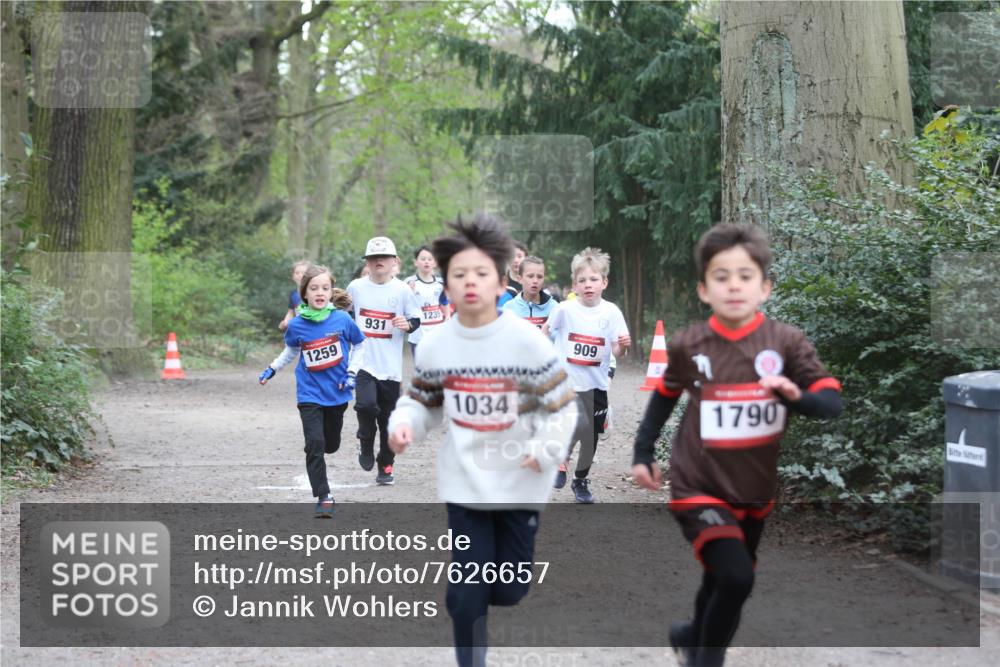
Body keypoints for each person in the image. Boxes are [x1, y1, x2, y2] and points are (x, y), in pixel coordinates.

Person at [631, 223, 843, 667]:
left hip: (753, 489)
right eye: (720, 276)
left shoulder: (785, 343)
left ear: (764, 287)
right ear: (704, 290)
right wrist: (643, 453)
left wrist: (794, 395)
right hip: (698, 482)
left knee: (723, 576)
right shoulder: (691, 344)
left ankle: (690, 634)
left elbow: (829, 403)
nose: (733, 286)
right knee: (737, 577)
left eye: (744, 276)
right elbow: (664, 398)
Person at [387, 214, 578, 667]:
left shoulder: (526, 344)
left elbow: (563, 406)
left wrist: (546, 447)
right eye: (459, 274)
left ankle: (489, 591)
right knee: (465, 596)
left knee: (510, 590)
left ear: (500, 281)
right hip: (466, 484)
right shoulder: (435, 347)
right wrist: (406, 422)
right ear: (446, 286)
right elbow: (424, 401)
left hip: (521, 484)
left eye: (481, 273)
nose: (470, 282)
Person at [258, 265, 366, 517]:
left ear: (330, 292)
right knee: (314, 444)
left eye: (325, 288)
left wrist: (351, 374)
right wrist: (272, 368)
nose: (320, 292)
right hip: (309, 393)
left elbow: (360, 345)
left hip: (337, 392)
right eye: (314, 288)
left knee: (331, 444)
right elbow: (291, 351)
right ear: (304, 293)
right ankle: (324, 496)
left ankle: (329, 449)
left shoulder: (342, 319)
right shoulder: (296, 325)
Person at [543, 247, 629, 503]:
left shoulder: (611, 312)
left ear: (604, 282)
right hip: (567, 382)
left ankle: (581, 480)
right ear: (574, 285)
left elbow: (616, 351)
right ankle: (561, 461)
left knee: (590, 436)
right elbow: (546, 331)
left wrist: (623, 346)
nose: (588, 285)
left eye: (593, 279)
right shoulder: (564, 309)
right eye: (582, 281)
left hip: (596, 385)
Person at [346, 236, 422, 486]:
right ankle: (365, 443)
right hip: (363, 363)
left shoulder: (402, 290)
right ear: (367, 262)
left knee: (389, 421)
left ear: (394, 261)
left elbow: (415, 319)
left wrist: (407, 324)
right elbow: (344, 316)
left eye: (383, 257)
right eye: (373, 258)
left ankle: (386, 464)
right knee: (366, 407)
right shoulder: (356, 287)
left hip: (390, 369)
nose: (378, 261)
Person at [404, 245, 450, 357]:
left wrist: (447, 317)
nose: (426, 262)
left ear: (435, 263)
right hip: (418, 333)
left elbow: (444, 301)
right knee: (421, 368)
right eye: (423, 259)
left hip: (437, 331)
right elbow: (403, 305)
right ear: (416, 262)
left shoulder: (440, 283)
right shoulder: (409, 283)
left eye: (430, 259)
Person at [501, 255, 556, 331]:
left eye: (539, 277)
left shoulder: (554, 308)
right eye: (530, 276)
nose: (535, 281)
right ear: (520, 279)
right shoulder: (508, 308)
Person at [279, 260, 311, 331]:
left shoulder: (315, 293)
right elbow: (291, 312)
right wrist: (285, 322)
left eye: (303, 273)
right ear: (293, 276)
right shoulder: (293, 294)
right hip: (299, 329)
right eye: (297, 273)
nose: (300, 275)